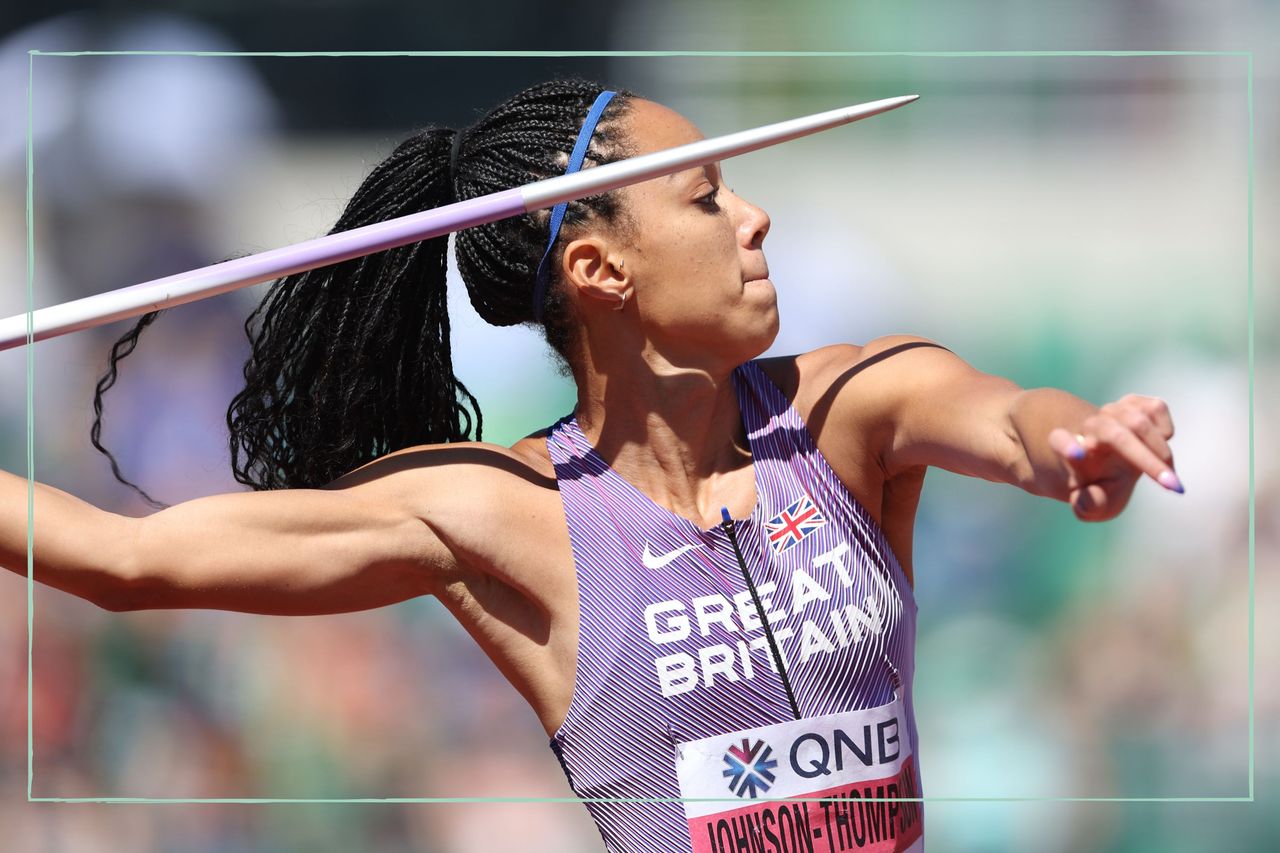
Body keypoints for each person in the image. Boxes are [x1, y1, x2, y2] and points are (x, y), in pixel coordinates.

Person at [1, 78, 1181, 853]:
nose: (756, 219)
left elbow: (1017, 418)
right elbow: (126, 558)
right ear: (600, 272)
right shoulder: (512, 513)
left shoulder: (845, 411)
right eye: (708, 198)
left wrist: (1084, 437)